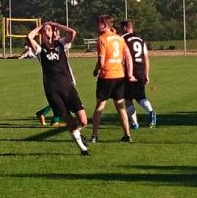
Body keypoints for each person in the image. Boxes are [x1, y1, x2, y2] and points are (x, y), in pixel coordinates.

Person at [27, 21, 89, 156]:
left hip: (68, 87)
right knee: (70, 122)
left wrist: (55, 24)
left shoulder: (61, 45)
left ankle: (78, 134)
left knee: (83, 121)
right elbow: (29, 37)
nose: (47, 32)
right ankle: (83, 149)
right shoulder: (40, 50)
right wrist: (41, 27)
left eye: (49, 30)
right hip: (53, 91)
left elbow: (72, 33)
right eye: (44, 31)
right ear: (41, 34)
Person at [90, 15, 135, 144]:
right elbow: (127, 55)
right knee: (121, 106)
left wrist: (95, 70)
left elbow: (101, 61)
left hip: (106, 76)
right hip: (119, 76)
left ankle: (94, 136)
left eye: (99, 23)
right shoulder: (119, 39)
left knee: (99, 106)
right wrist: (129, 73)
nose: (97, 26)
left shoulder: (102, 39)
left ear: (104, 25)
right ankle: (127, 135)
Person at [120, 20, 156, 129]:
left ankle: (134, 123)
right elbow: (146, 57)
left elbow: (122, 57)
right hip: (140, 71)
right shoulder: (140, 40)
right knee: (141, 96)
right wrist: (146, 74)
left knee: (128, 98)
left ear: (125, 28)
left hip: (129, 71)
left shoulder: (123, 39)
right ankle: (151, 112)